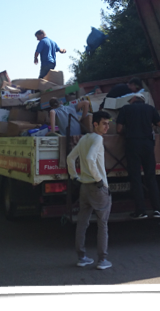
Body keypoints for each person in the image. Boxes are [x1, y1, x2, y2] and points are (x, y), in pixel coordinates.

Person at [67, 111, 113, 270]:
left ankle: (82, 257)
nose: (107, 126)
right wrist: (99, 179)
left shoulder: (83, 139)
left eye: (108, 123)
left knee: (82, 223)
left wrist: (74, 176)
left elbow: (70, 158)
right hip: (97, 188)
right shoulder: (98, 139)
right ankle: (102, 260)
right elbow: (89, 159)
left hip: (84, 187)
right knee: (102, 224)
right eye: (104, 123)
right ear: (95, 124)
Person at [116, 94, 160, 219]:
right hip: (148, 145)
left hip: (132, 145)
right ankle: (157, 210)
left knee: (136, 178)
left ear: (133, 100)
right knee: (151, 177)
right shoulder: (150, 109)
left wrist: (128, 132)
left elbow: (118, 129)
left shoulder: (125, 109)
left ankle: (141, 211)